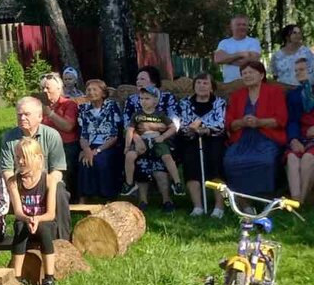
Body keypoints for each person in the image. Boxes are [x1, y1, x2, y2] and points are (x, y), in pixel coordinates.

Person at [0, 97, 71, 240]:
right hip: (19, 183)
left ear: (40, 117)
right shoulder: (9, 138)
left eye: (26, 114)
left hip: (47, 182)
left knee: (60, 191)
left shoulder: (52, 135)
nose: (22, 118)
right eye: (19, 114)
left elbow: (57, 170)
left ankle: (63, 240)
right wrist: (16, 185)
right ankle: (3, 236)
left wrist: (44, 185)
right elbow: (7, 170)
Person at [222, 61, 288, 200]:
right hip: (242, 138)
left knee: (266, 160)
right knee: (231, 160)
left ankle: (266, 197)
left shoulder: (274, 92)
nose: (247, 75)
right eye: (244, 73)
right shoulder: (237, 95)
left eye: (251, 72)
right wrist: (242, 122)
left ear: (261, 75)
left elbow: (281, 119)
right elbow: (229, 123)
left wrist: (259, 122)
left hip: (267, 137)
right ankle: (242, 200)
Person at [9, 138, 57, 285]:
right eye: (18, 157)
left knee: (44, 229)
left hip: (44, 221)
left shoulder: (49, 180)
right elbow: (18, 212)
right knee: (20, 227)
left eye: (25, 157)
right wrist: (28, 219)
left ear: (38, 158)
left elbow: (51, 213)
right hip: (24, 221)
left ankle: (49, 277)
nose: (20, 161)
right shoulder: (13, 182)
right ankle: (17, 276)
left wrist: (37, 219)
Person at [178, 72, 228, 217]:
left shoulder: (219, 103)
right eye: (198, 83)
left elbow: (221, 124)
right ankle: (198, 207)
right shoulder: (185, 103)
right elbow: (182, 123)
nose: (201, 86)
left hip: (214, 138)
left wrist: (204, 128)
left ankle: (219, 207)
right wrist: (192, 129)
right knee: (190, 163)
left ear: (212, 87)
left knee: (216, 163)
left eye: (205, 83)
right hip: (191, 138)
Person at [121, 86, 179, 210]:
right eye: (141, 98)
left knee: (165, 159)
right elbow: (129, 130)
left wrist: (162, 136)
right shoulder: (136, 115)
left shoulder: (160, 114)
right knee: (132, 157)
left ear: (155, 101)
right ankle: (130, 184)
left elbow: (173, 127)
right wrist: (127, 146)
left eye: (147, 98)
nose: (143, 101)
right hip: (141, 142)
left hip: (157, 141)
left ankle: (176, 185)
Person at [76, 80, 123, 201]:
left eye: (94, 89)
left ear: (103, 93)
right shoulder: (83, 108)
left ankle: (107, 196)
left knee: (101, 160)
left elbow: (114, 135)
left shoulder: (112, 106)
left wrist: (97, 150)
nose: (91, 92)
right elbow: (83, 134)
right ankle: (83, 197)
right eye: (88, 90)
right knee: (84, 161)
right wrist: (87, 150)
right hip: (90, 144)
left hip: (108, 145)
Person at [40, 73, 80, 196]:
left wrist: (50, 114)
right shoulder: (40, 105)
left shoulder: (69, 104)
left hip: (65, 144)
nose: (44, 91)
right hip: (44, 144)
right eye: (42, 88)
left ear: (58, 89)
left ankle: (67, 195)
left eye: (48, 88)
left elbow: (68, 127)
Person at [285, 58, 314, 204]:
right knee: (292, 157)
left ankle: (300, 201)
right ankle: (295, 200)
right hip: (301, 136)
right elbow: (291, 121)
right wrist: (294, 139)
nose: (298, 73)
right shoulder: (294, 95)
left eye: (301, 69)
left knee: (308, 158)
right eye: (296, 71)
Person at [215, 15, 262, 84]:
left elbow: (253, 59)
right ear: (231, 27)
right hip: (229, 84)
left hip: (249, 84)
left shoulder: (254, 42)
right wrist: (240, 54)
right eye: (238, 25)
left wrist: (227, 60)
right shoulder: (224, 43)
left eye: (244, 25)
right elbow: (218, 59)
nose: (241, 27)